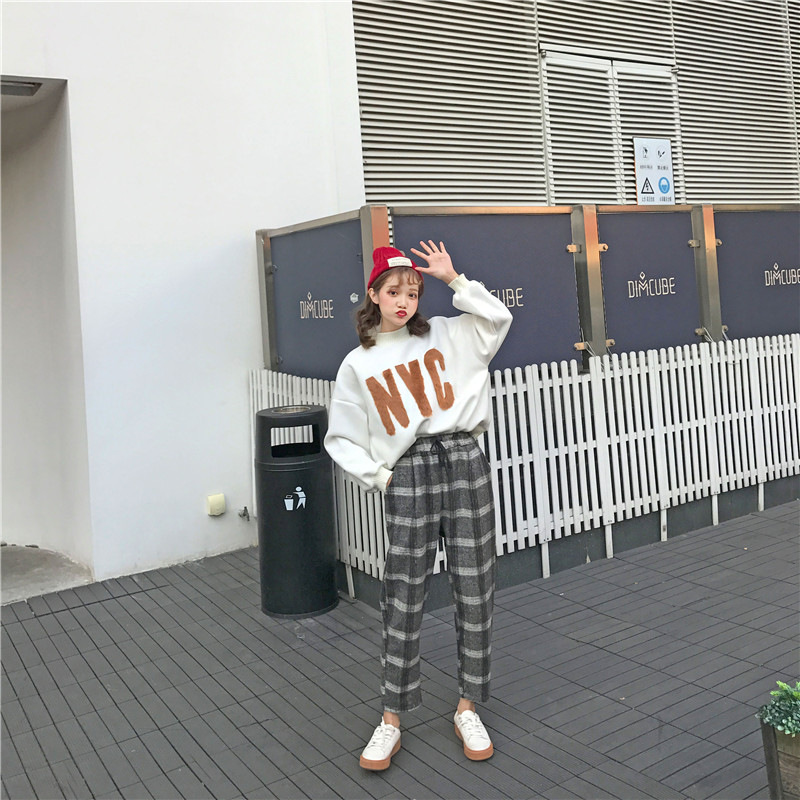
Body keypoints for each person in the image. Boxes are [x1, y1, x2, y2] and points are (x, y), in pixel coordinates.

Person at [324, 240, 512, 771]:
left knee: (475, 583)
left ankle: (468, 706)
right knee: (403, 592)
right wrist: (382, 477)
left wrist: (455, 280)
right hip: (407, 471)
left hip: (463, 457)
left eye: (412, 292)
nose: (403, 302)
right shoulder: (358, 364)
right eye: (393, 292)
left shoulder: (447, 334)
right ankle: (391, 718)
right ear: (374, 295)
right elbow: (341, 437)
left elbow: (498, 319)